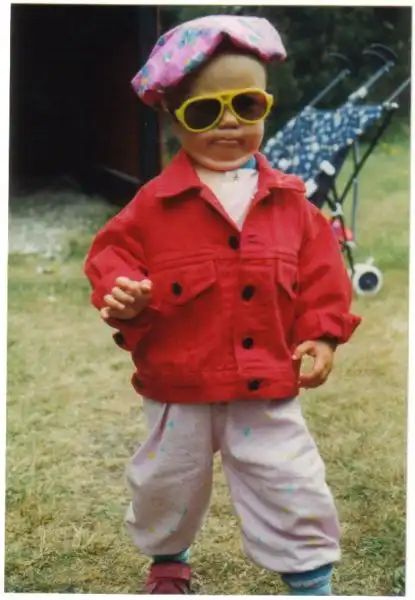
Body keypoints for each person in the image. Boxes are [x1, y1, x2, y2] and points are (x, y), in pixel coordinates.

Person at [84, 14, 361, 596]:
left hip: (267, 384)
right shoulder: (152, 205)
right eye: (205, 111)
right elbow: (111, 257)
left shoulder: (292, 206)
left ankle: (311, 578)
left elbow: (323, 275)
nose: (229, 121)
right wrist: (123, 293)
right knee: (167, 484)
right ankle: (168, 560)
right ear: (172, 116)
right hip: (178, 385)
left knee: (291, 481)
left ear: (266, 106)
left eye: (247, 105)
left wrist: (322, 332)